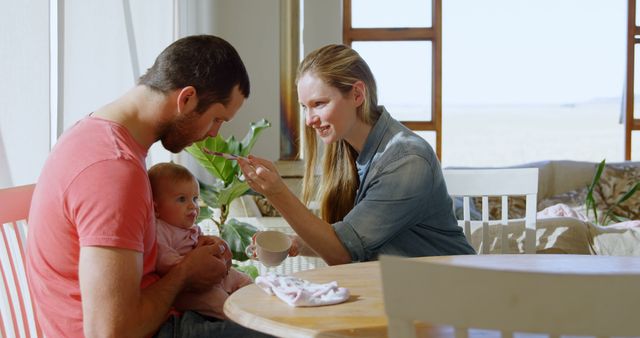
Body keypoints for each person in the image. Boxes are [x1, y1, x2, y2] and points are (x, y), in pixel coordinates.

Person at [26, 35, 270, 337]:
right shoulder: (112, 169)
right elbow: (110, 332)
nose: (213, 135)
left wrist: (190, 258)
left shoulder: (95, 137)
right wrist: (185, 273)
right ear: (187, 99)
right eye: (216, 119)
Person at [238, 44, 476, 266]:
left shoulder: (407, 160)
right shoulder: (346, 150)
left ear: (357, 94)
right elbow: (354, 240)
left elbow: (342, 252)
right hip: (403, 291)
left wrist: (277, 192)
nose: (309, 120)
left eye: (319, 103)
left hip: (450, 294)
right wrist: (297, 243)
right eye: (304, 107)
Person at [148, 162, 252, 320]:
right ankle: (243, 323)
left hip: (208, 275)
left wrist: (212, 247)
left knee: (244, 280)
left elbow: (201, 247)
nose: (193, 206)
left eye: (195, 199)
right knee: (221, 303)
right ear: (156, 209)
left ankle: (258, 311)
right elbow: (164, 260)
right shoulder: (160, 229)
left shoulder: (192, 228)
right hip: (187, 289)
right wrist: (198, 264)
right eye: (182, 199)